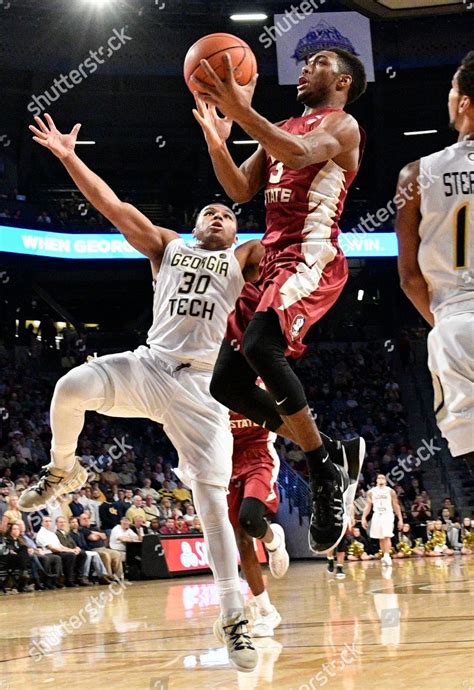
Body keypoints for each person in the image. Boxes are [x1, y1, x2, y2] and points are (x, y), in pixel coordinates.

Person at [20, 114, 267, 670]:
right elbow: (111, 205)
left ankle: (234, 615)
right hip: (150, 366)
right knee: (68, 387)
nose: (218, 215)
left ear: (235, 231)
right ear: (195, 223)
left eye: (227, 213)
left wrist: (225, 147)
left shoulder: (243, 257)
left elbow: (280, 223)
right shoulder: (167, 246)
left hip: (203, 390)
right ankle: (63, 468)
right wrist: (68, 156)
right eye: (210, 211)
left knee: (211, 508)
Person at [193, 47, 368, 553]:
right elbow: (240, 188)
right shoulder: (284, 124)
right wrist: (216, 142)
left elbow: (298, 154)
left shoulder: (344, 125)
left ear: (343, 81)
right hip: (272, 261)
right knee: (226, 383)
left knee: (261, 346)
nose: (306, 67)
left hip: (311, 256)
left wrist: (242, 109)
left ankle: (322, 471)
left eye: (319, 61)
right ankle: (329, 452)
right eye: (306, 60)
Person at [395, 51, 474, 468]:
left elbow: (409, 278)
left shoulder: (416, 175)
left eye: (452, 89)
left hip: (456, 324)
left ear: (463, 103)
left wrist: (447, 322)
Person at [227, 401, 289, 638]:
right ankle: (266, 611)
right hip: (227, 461)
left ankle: (273, 541)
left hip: (259, 456)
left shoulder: (265, 382)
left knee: (250, 519)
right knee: (242, 541)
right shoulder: (212, 382)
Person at [361, 474, 403, 566]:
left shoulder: (390, 491)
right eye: (379, 478)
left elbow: (396, 505)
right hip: (377, 514)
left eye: (383, 478)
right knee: (380, 537)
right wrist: (363, 517)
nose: (381, 479)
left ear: (385, 480)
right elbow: (368, 506)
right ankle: (384, 555)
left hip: (387, 514)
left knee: (387, 535)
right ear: (376, 480)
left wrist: (400, 519)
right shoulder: (371, 492)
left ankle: (387, 555)